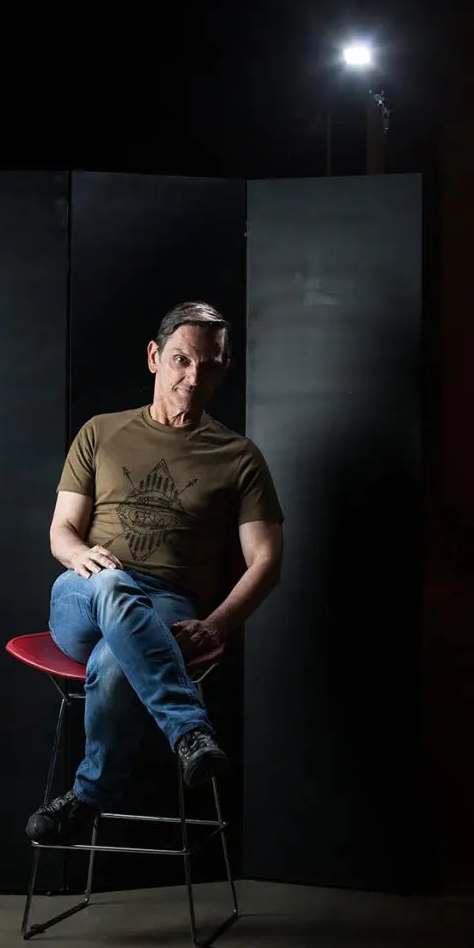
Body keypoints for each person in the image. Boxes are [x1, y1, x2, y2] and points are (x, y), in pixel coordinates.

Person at [26, 301, 284, 845]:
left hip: (167, 603)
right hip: (83, 592)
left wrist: (216, 624)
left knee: (117, 663)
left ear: (224, 369)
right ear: (154, 357)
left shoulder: (238, 456)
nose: (193, 377)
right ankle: (189, 729)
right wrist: (79, 556)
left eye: (208, 365)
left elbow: (266, 559)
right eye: (181, 360)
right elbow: (61, 530)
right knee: (112, 585)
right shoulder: (100, 432)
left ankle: (87, 799)